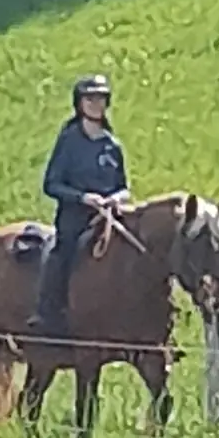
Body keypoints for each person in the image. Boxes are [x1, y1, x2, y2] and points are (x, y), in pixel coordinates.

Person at [29, 74, 129, 340]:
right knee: (62, 252)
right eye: (90, 99)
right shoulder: (69, 140)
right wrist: (84, 198)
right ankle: (48, 311)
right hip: (76, 218)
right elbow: (52, 184)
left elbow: (124, 186)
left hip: (109, 217)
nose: (96, 104)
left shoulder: (112, 145)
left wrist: (117, 198)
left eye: (101, 99)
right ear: (80, 104)